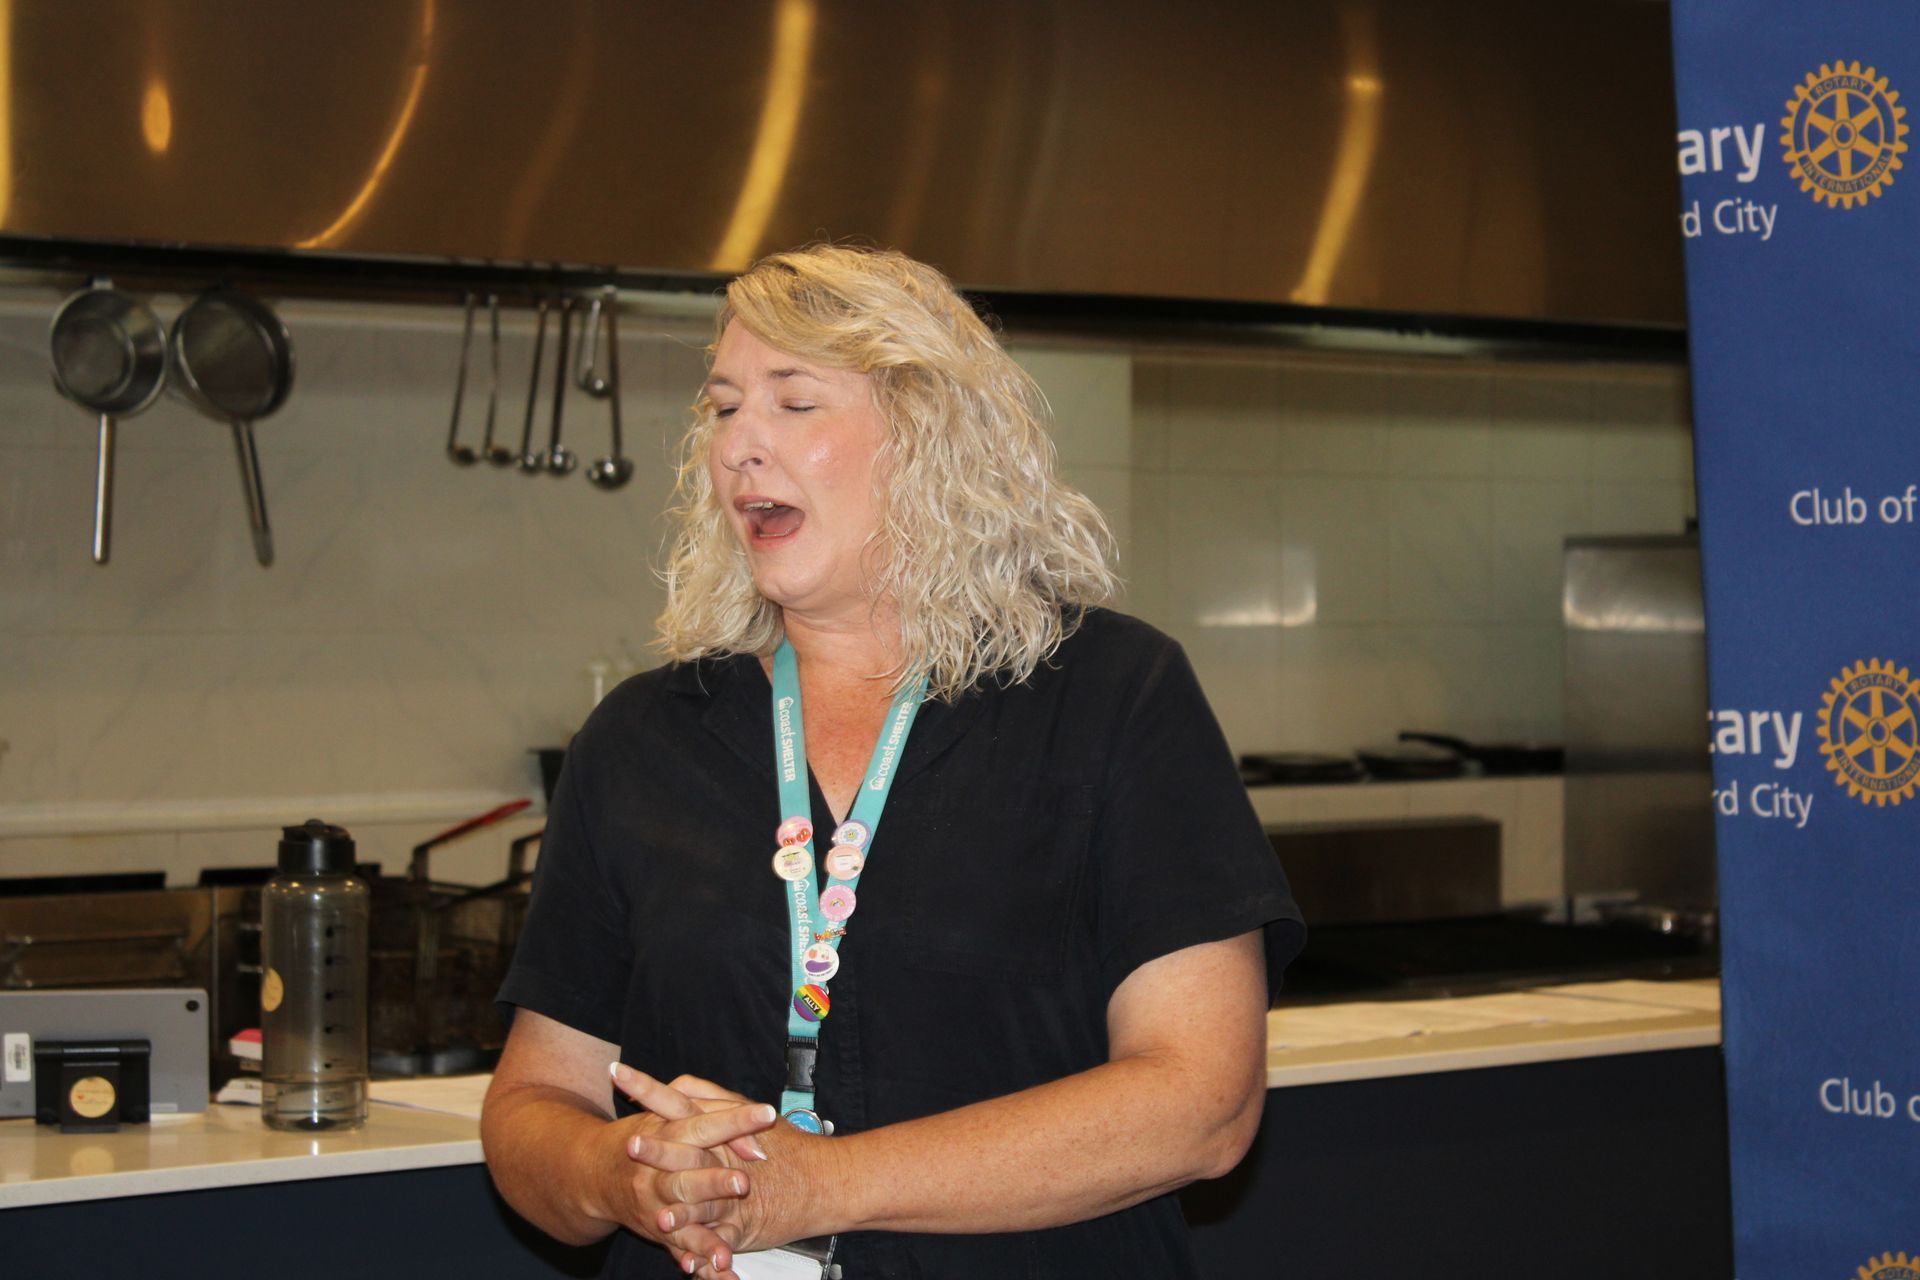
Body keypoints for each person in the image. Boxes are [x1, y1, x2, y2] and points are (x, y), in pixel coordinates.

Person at [481, 244, 1304, 1280]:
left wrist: (819, 1183)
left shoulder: (1109, 695)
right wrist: (623, 1169)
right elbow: (531, 1105)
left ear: (929, 439)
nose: (740, 446)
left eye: (794, 403)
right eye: (725, 408)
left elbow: (1204, 1100)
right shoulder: (642, 738)